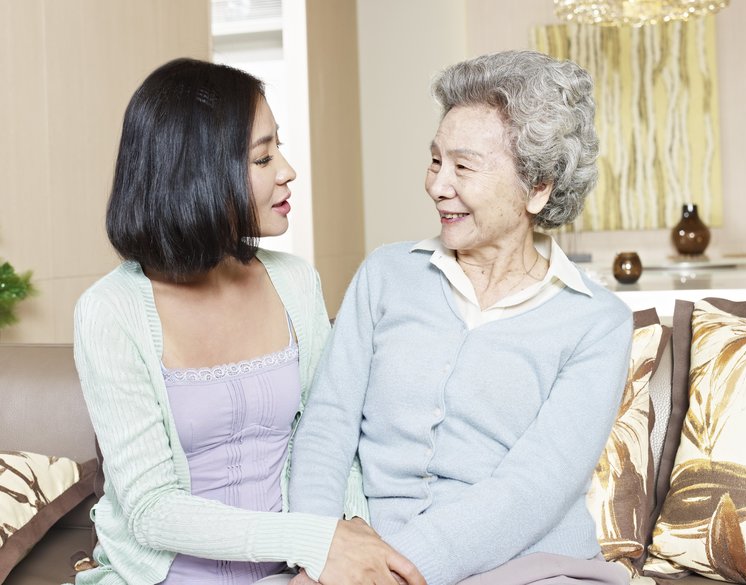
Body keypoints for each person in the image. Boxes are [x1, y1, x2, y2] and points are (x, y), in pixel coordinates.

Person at [72, 58, 424, 585]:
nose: (287, 170)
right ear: (196, 173)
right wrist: (315, 541)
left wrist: (336, 547)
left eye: (277, 149)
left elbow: (329, 432)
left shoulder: (295, 281)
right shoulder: (110, 310)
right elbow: (150, 508)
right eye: (263, 158)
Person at [288, 50, 634, 585]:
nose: (437, 185)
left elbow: (533, 487)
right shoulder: (386, 275)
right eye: (435, 160)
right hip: (359, 562)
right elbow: (326, 427)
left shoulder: (596, 321)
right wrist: (320, 548)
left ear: (537, 189)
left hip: (528, 566)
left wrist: (391, 569)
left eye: (464, 167)